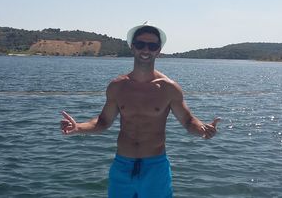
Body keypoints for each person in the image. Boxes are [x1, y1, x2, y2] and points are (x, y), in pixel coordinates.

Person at [60, 22, 220, 198]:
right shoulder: (117, 87)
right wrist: (78, 128)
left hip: (155, 168)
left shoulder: (169, 88)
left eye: (152, 46)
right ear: (132, 47)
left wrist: (202, 131)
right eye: (140, 44)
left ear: (158, 50)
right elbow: (103, 122)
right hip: (122, 166)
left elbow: (188, 121)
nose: (146, 50)